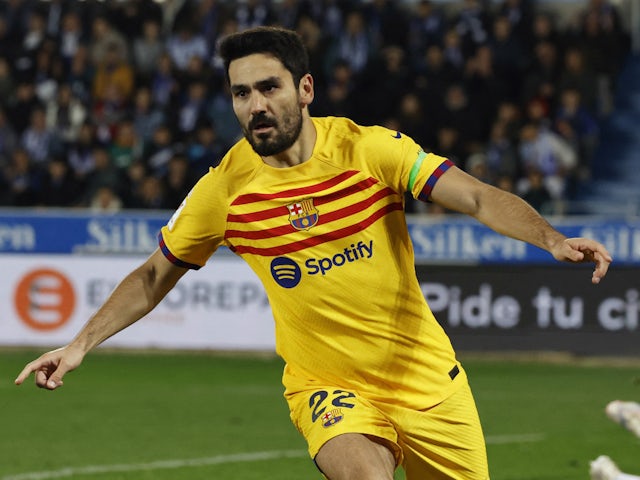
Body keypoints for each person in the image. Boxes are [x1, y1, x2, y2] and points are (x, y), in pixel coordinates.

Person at [15, 27, 612, 480]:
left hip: (427, 379)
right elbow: (152, 275)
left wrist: (551, 239)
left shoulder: (370, 150)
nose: (255, 105)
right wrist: (78, 344)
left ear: (304, 89)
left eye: (268, 88)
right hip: (327, 386)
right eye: (241, 93)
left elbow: (478, 198)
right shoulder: (224, 189)